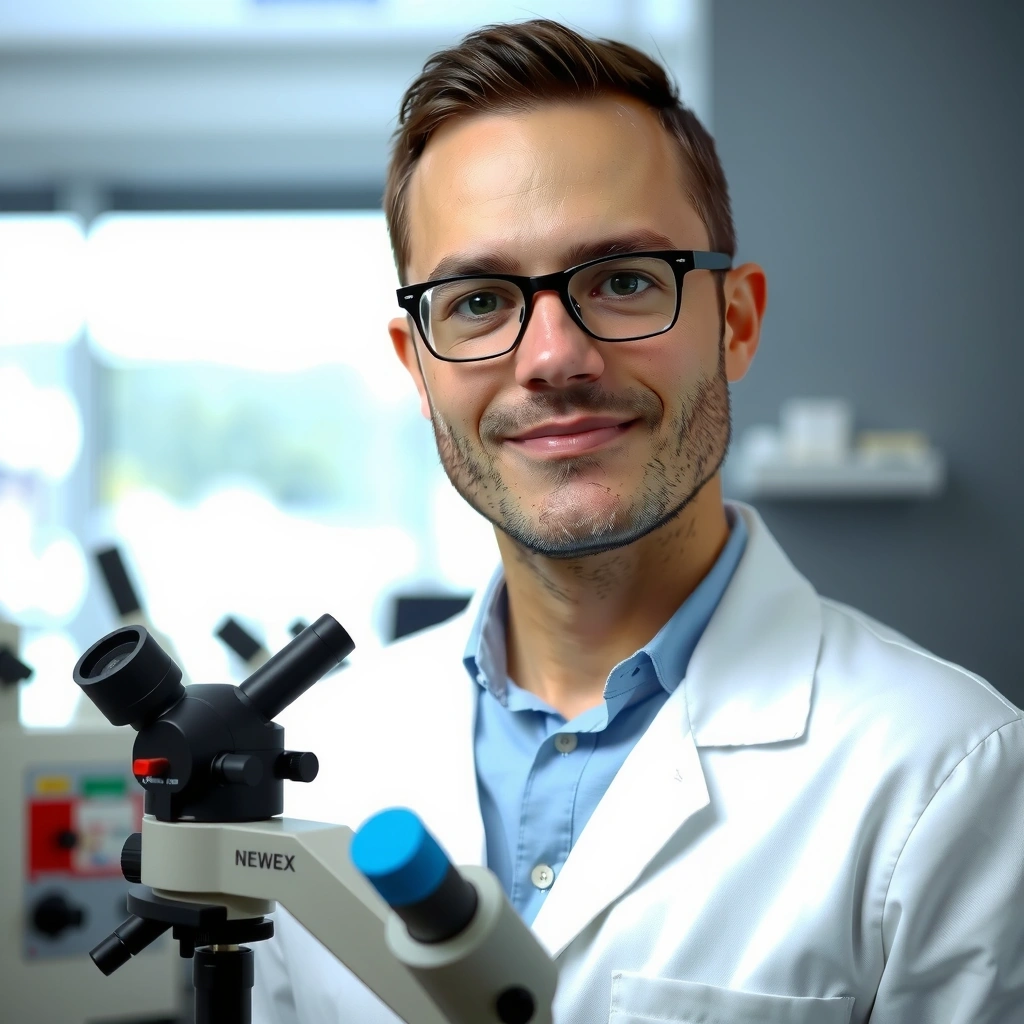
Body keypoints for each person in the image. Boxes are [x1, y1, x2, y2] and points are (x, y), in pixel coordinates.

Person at [252, 18, 1024, 1024]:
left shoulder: (946, 773)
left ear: (734, 323)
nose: (552, 358)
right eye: (480, 300)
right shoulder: (316, 750)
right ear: (418, 364)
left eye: (621, 281)